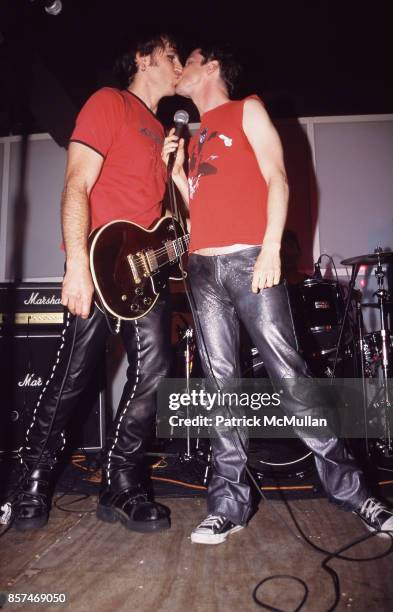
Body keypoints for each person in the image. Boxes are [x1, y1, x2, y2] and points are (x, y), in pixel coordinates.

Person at [162, 45, 393, 544]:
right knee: (220, 384)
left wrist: (271, 247)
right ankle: (228, 503)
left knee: (290, 375)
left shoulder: (247, 108)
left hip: (252, 257)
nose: (180, 69)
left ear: (210, 66)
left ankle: (355, 493)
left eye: (188, 60)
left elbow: (277, 175)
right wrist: (173, 175)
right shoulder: (192, 136)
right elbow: (197, 209)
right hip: (203, 268)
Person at [12, 34, 182, 533]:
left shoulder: (159, 128)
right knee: (73, 376)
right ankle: (33, 480)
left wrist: (173, 167)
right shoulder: (110, 102)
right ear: (143, 58)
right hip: (99, 260)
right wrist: (77, 265)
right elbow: (77, 184)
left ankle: (122, 484)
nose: (177, 65)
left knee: (154, 370)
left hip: (144, 273)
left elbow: (161, 217)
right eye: (171, 55)